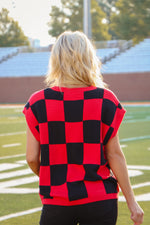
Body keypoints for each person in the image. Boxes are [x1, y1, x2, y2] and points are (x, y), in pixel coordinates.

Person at [23, 31, 144, 225]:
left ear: (55, 60)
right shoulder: (105, 99)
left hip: (57, 199)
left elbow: (31, 158)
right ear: (89, 58)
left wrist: (55, 177)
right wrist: (132, 204)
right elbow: (114, 155)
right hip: (100, 199)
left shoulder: (38, 102)